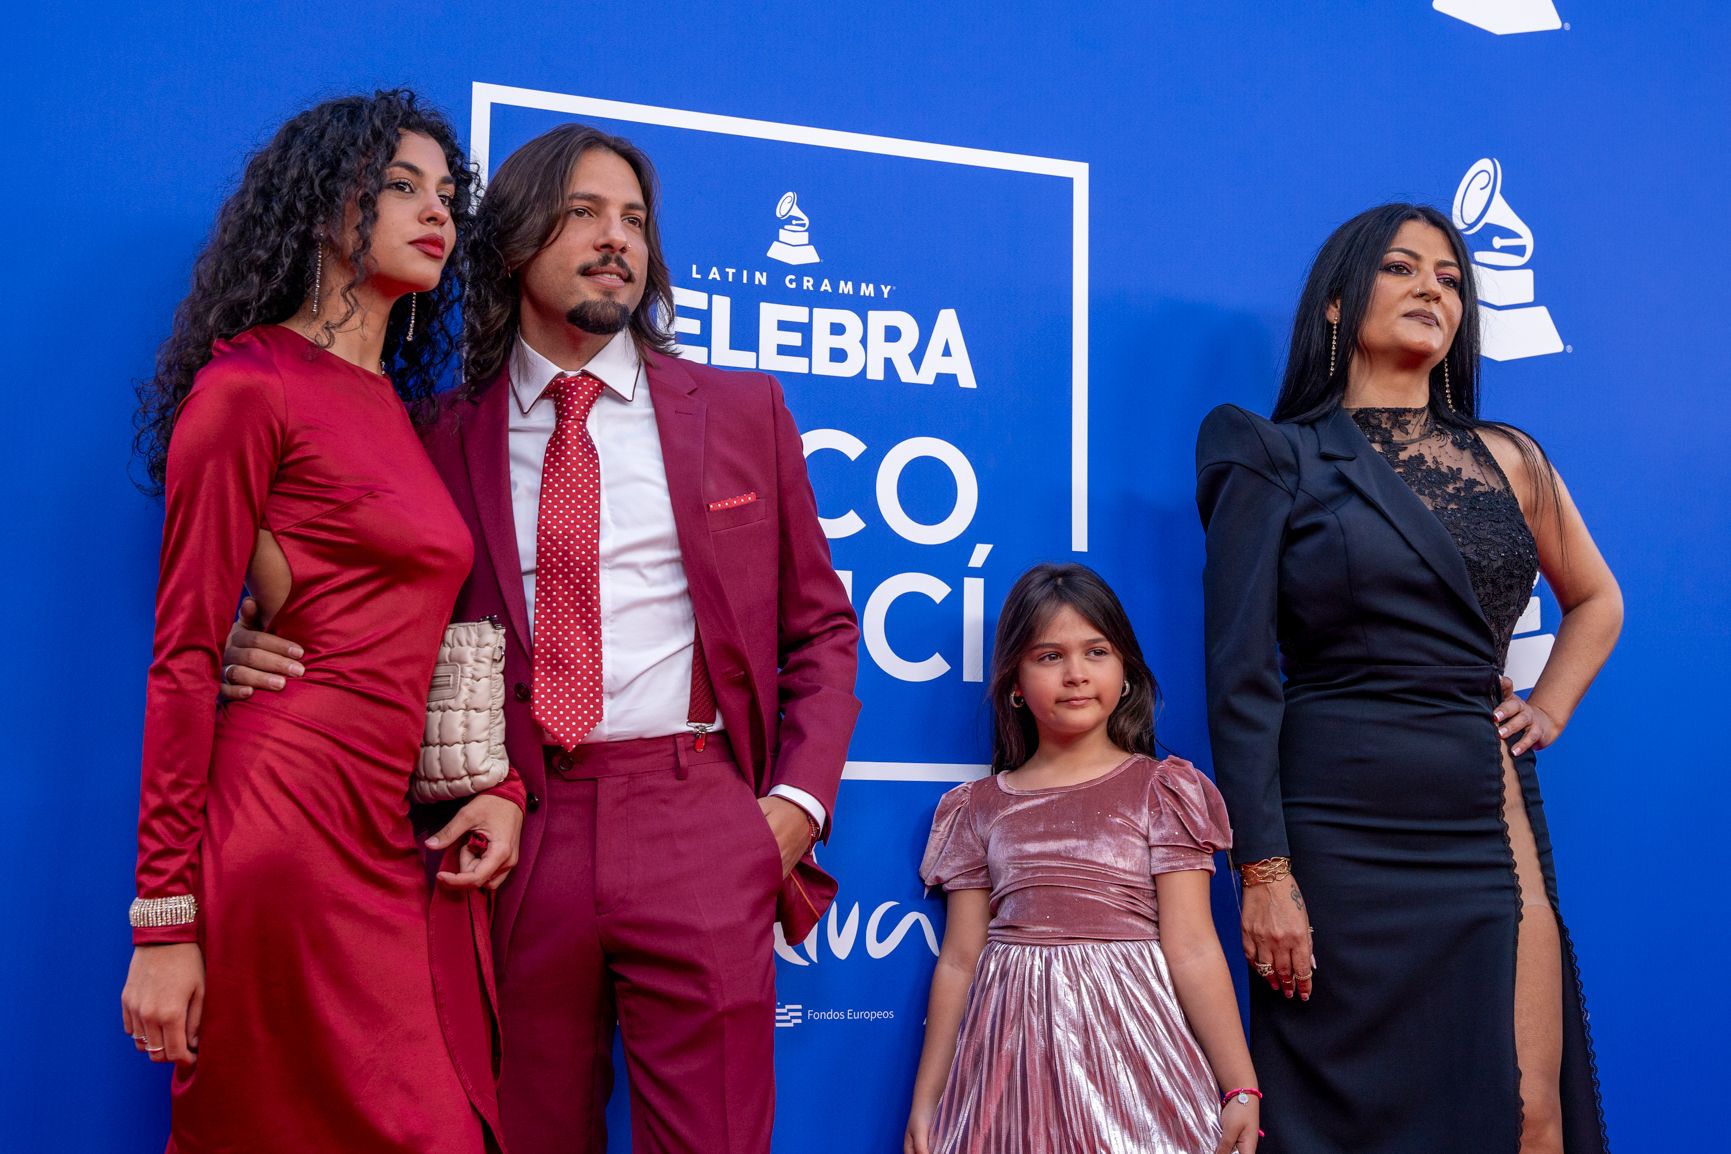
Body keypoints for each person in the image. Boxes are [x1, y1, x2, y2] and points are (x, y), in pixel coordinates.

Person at [219, 122, 861, 1154]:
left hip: (699, 811)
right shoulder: (434, 430)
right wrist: (256, 640)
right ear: (514, 239)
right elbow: (362, 590)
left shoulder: (743, 411)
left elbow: (822, 629)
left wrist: (788, 809)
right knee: (525, 1132)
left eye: (636, 221)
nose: (618, 240)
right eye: (584, 214)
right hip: (511, 829)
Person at [122, 91, 526, 1153]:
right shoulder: (250, 386)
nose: (434, 212)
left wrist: (496, 780)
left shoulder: (400, 409)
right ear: (318, 207)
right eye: (399, 187)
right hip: (283, 827)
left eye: (446, 194)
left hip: (390, 836)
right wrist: (164, 923)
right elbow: (183, 658)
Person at [1195, 204, 1622, 1154]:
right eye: (1402, 267)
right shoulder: (1271, 455)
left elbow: (1596, 601)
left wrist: (1545, 706)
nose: (1433, 287)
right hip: (1333, 834)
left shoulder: (1512, 458)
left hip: (1484, 816)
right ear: (1340, 303)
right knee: (1345, 1120)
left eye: (1451, 278)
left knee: (1526, 1110)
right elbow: (1238, 676)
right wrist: (1262, 872)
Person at [906, 562, 1260, 1154]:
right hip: (1009, 1059)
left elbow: (1194, 946)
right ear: (1015, 681)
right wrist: (928, 1099)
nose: (1075, 674)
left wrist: (1240, 1087)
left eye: (1096, 651)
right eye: (1049, 657)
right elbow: (960, 960)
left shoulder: (1163, 790)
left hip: (1135, 1054)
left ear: (1124, 671)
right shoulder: (978, 807)